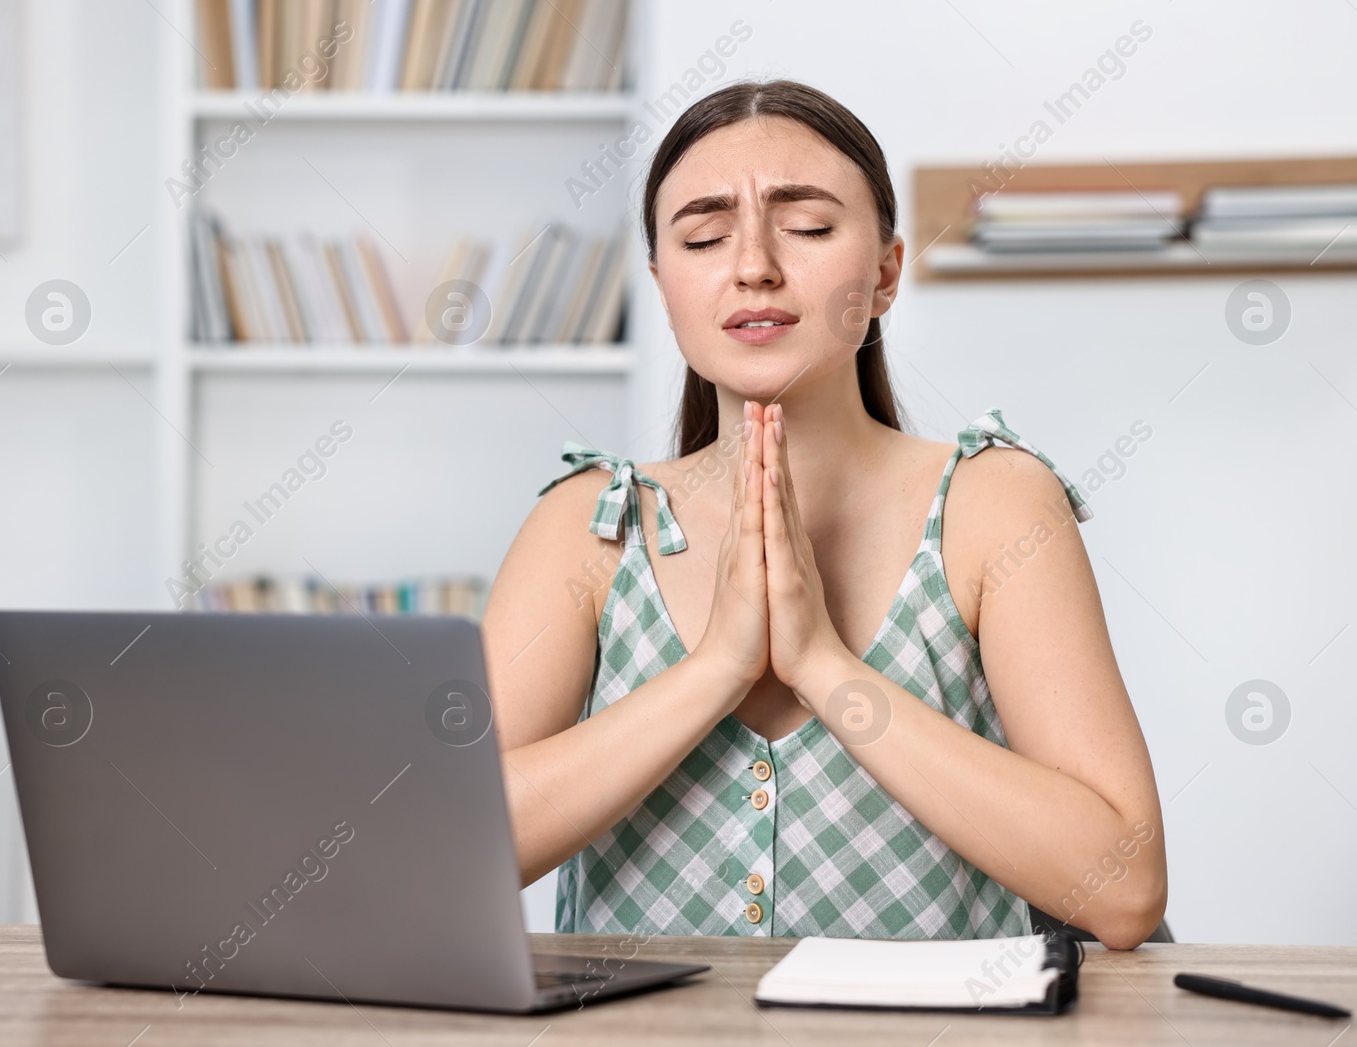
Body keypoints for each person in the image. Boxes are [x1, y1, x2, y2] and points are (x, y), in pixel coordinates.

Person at [483, 79, 1167, 949]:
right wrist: (714, 671)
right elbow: (443, 854)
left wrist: (821, 663)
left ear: (883, 273)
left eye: (806, 227)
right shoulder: (589, 523)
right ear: (663, 288)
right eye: (704, 235)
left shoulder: (993, 505)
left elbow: (1125, 886)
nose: (754, 264)